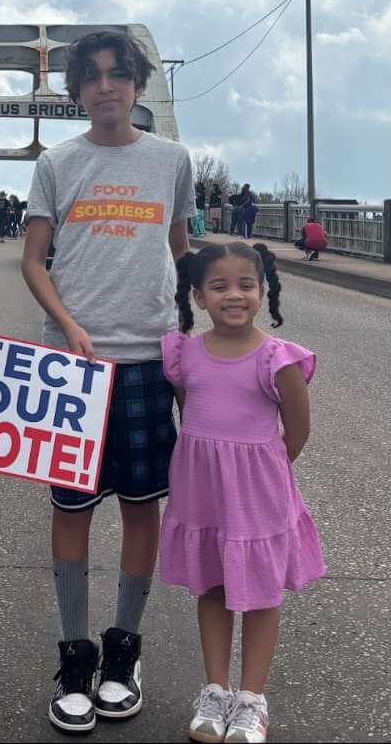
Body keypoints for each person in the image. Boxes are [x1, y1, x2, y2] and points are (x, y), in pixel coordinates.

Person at [20, 30, 196, 732]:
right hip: (72, 363)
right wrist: (67, 323)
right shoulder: (56, 162)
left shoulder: (172, 161)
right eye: (90, 78)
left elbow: (180, 253)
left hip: (148, 360)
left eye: (117, 75)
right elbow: (34, 260)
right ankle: (74, 655)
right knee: (71, 507)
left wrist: (203, 345)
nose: (105, 88)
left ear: (137, 84)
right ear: (76, 91)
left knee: (141, 506)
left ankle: (123, 652)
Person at [161, 243, 323, 743]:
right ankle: (215, 689)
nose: (234, 295)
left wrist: (258, 475)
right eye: (219, 286)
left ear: (263, 291)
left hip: (258, 496)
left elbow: (296, 432)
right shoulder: (183, 352)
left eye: (246, 285)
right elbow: (192, 416)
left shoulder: (277, 359)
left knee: (258, 594)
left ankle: (251, 700)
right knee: (211, 587)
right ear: (198, 296)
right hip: (202, 492)